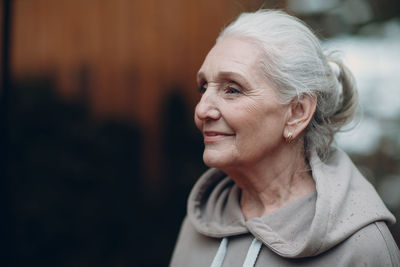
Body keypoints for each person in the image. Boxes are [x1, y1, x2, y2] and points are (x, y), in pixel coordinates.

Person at [170, 10, 400, 267]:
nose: (201, 110)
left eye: (232, 89)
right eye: (204, 87)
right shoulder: (198, 226)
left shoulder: (361, 248)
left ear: (297, 113)